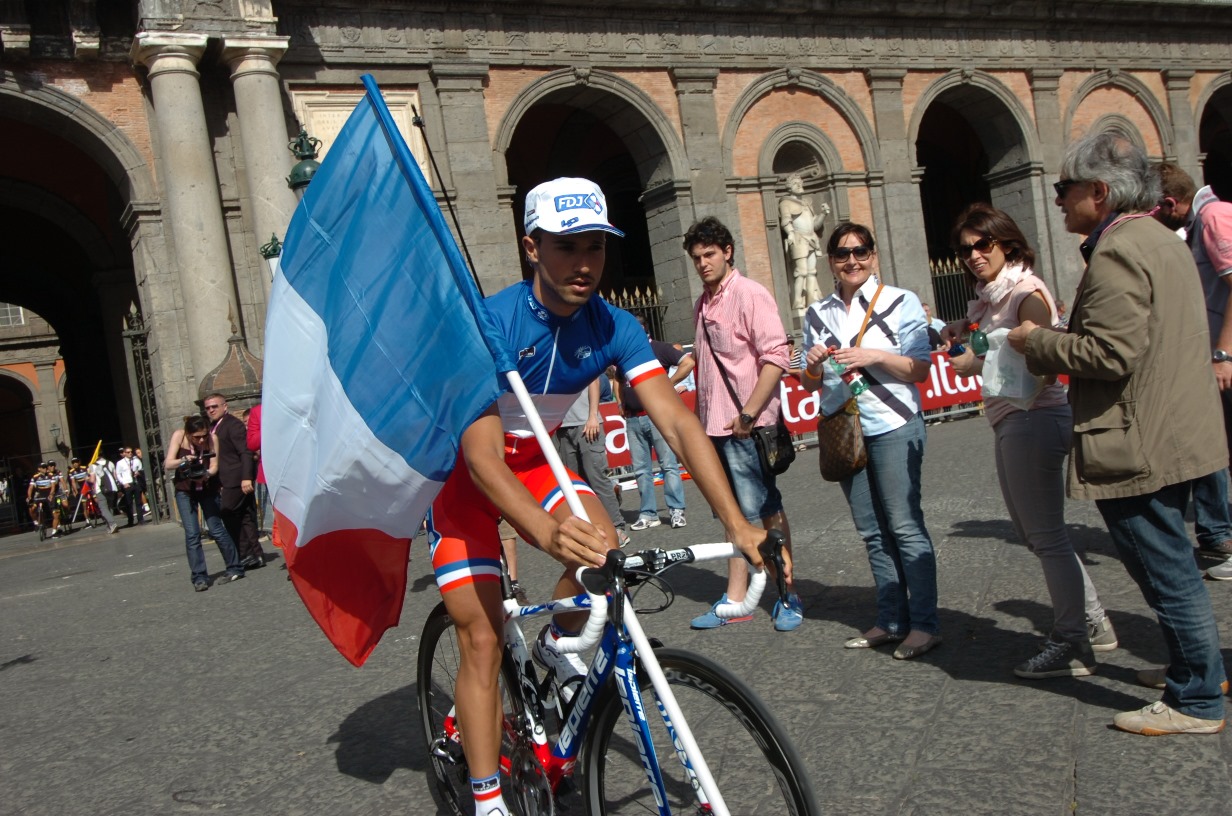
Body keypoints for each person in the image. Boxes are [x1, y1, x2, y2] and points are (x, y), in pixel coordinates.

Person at [426, 178, 774, 816]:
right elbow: (480, 460)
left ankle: (559, 653)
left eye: (596, 246)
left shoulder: (614, 324)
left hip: (536, 465)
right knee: (480, 638)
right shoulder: (489, 323)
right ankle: (486, 801)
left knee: (603, 551)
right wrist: (543, 530)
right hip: (467, 483)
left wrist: (739, 522)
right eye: (566, 246)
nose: (583, 262)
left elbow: (677, 421)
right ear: (532, 247)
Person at [1008, 132, 1227, 736]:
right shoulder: (1158, 236)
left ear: (1099, 192)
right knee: (1174, 560)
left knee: (1163, 568)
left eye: (1063, 188)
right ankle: (1195, 666)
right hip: (1173, 424)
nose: (1055, 200)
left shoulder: (1117, 250)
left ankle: (1197, 699)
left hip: (1139, 433)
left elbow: (1109, 352)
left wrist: (1036, 342)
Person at [945, 202, 1116, 678]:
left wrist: (974, 365)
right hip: (1011, 418)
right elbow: (1005, 344)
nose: (974, 255)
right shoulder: (992, 296)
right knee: (1036, 534)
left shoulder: (1024, 291)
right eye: (966, 249)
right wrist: (969, 333)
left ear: (1007, 243)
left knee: (1046, 535)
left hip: (1035, 417)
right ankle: (1094, 621)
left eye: (984, 245)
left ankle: (1074, 640)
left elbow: (1044, 358)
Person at [801, 222, 942, 660]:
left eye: (860, 251)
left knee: (903, 526)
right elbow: (810, 383)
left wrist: (873, 356)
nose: (852, 261)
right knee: (872, 533)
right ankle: (890, 620)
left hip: (895, 423)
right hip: (846, 428)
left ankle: (923, 624)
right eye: (842, 254)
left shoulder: (899, 302)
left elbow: (919, 370)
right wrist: (810, 364)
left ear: (873, 255)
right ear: (831, 262)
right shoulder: (816, 313)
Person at [686, 215, 803, 633]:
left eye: (710, 254)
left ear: (728, 251)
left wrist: (749, 414)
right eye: (697, 257)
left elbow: (777, 357)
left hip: (746, 424)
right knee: (731, 514)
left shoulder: (750, 294)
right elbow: (705, 355)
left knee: (763, 510)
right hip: (713, 424)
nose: (703, 263)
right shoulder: (703, 302)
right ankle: (736, 599)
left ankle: (788, 595)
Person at [1153, 162, 1232, 576]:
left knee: (1210, 445)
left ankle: (1220, 538)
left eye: (1155, 210)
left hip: (1225, 359)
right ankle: (1218, 535)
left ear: (1170, 203)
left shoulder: (1214, 219)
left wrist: (1222, 354)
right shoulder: (1206, 221)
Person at [622, 315, 693, 531]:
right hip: (634, 418)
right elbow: (618, 378)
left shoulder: (660, 349)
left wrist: (668, 384)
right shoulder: (625, 353)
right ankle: (648, 513)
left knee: (668, 464)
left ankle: (676, 510)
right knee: (641, 469)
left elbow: (688, 362)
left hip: (657, 416)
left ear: (643, 330)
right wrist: (621, 401)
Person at [166, 415, 245, 591]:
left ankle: (235, 567)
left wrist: (207, 473)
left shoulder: (212, 438)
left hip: (208, 487)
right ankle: (199, 577)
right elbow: (168, 463)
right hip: (185, 490)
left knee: (217, 528)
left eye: (204, 435)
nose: (201, 440)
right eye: (196, 437)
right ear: (188, 433)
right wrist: (183, 461)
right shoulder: (179, 436)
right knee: (192, 534)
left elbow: (215, 465)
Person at [553, 377, 630, 545]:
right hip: (562, 427)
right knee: (575, 484)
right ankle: (590, 528)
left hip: (586, 423)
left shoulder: (580, 354)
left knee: (597, 478)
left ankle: (617, 527)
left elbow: (593, 381)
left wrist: (593, 416)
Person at [205, 393, 266, 569]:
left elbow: (245, 452)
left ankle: (245, 553)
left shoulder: (233, 424)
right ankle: (256, 554)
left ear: (225, 406)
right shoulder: (213, 427)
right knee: (245, 515)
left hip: (236, 478)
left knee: (227, 511)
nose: (211, 410)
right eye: (208, 408)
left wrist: (247, 477)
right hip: (225, 478)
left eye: (214, 406)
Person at [778, 173, 830, 310]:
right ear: (789, 187)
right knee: (801, 271)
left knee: (812, 271)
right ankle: (797, 301)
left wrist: (823, 214)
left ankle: (811, 299)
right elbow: (786, 220)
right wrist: (790, 233)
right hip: (798, 239)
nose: (800, 185)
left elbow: (815, 225)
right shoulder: (785, 203)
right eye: (796, 184)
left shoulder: (806, 203)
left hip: (811, 239)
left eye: (800, 183)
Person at [86, 457, 120, 535]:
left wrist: (86, 478)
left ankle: (112, 524)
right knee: (110, 507)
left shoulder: (92, 466)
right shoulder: (110, 462)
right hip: (112, 488)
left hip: (100, 489)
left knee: (103, 508)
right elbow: (115, 476)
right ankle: (110, 526)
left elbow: (92, 480)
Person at [27, 462, 62, 536]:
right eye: (43, 467)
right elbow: (30, 488)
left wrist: (51, 494)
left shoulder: (50, 475)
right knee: (32, 509)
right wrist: (29, 496)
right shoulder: (35, 477)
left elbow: (53, 486)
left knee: (55, 512)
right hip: (40, 496)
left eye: (46, 467)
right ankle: (36, 522)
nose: (45, 469)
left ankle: (55, 530)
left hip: (48, 495)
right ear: (39, 469)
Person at [113, 447, 142, 527]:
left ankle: (141, 519)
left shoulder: (136, 461)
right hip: (127, 484)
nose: (130, 453)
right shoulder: (120, 463)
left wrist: (138, 473)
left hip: (135, 482)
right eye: (128, 452)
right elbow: (118, 474)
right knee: (128, 503)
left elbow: (140, 469)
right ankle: (130, 520)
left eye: (131, 452)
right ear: (124, 453)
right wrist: (123, 483)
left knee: (138, 502)